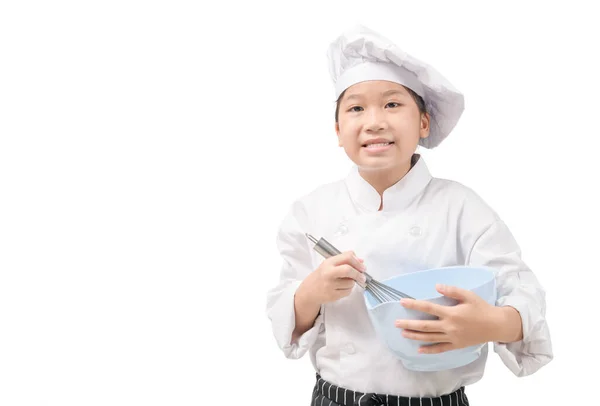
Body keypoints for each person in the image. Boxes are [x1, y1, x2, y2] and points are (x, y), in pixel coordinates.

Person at [265, 25, 552, 406]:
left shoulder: (462, 208)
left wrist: (491, 324)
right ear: (338, 130)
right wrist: (312, 291)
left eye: (392, 104)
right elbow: (286, 323)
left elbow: (524, 295)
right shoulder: (310, 212)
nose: (374, 121)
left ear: (423, 122)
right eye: (355, 108)